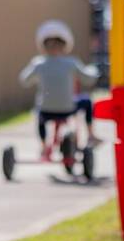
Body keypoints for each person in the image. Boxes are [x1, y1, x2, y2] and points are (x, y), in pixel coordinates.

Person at [19, 20, 98, 150]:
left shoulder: (38, 63)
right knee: (87, 101)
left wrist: (38, 78)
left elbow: (24, 80)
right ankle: (90, 134)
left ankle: (44, 146)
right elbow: (88, 79)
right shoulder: (71, 62)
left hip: (45, 110)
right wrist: (93, 71)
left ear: (43, 46)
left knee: (39, 115)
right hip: (68, 108)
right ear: (64, 45)